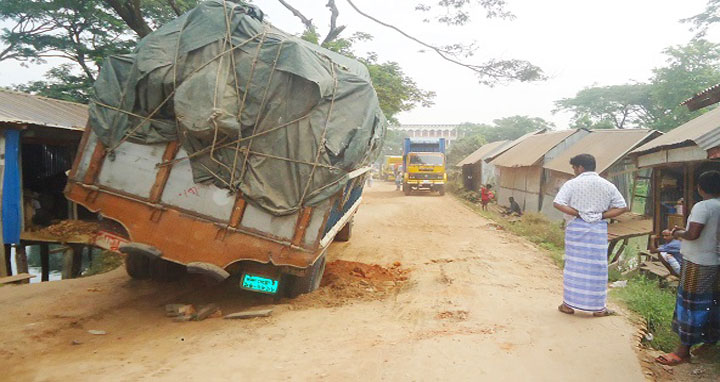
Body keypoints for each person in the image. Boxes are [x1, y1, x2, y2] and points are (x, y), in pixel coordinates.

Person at [655, 170, 720, 366]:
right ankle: (709, 342)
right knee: (712, 303)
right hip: (715, 261)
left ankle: (683, 351)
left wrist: (676, 233)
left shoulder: (703, 206)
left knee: (690, 305)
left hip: (698, 262)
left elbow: (693, 234)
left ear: (700, 188)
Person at [553, 154, 628, 317]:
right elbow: (622, 207)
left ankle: (568, 305)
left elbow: (558, 203)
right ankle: (598, 308)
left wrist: (578, 213)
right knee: (597, 267)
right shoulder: (607, 185)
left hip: (576, 229)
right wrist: (601, 215)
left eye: (574, 168)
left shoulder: (572, 184)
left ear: (580, 167)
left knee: (574, 266)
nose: (573, 171)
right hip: (598, 230)